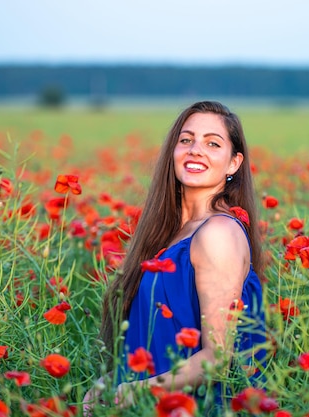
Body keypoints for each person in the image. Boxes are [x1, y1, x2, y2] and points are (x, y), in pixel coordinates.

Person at [84, 101, 267, 415]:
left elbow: (218, 359)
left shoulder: (218, 233)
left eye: (212, 143)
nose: (196, 149)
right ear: (174, 151)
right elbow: (154, 342)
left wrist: (136, 390)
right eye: (187, 140)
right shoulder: (170, 235)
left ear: (234, 163)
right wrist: (108, 386)